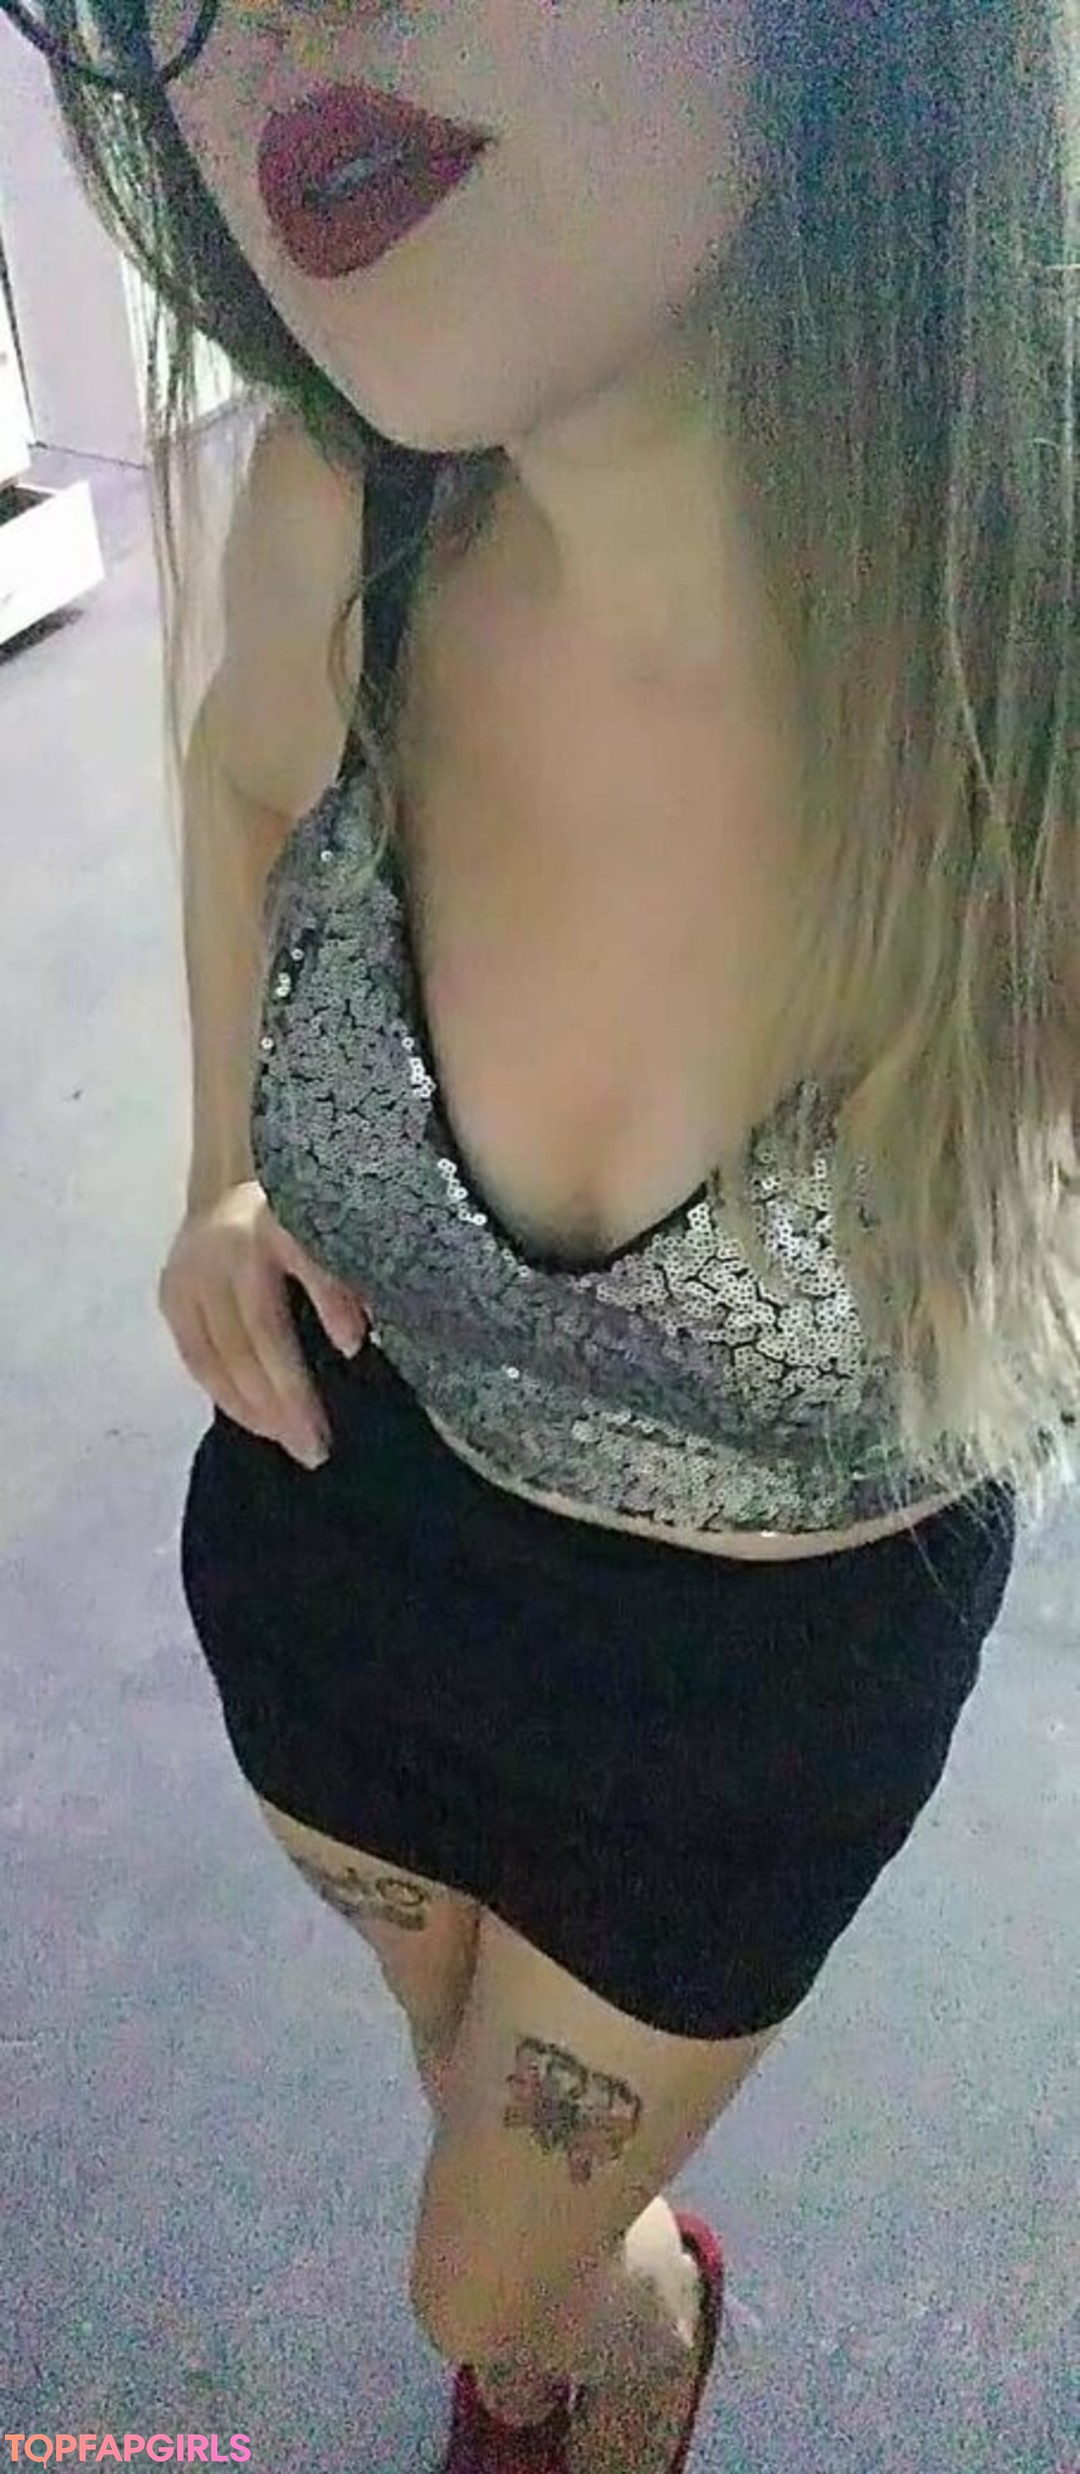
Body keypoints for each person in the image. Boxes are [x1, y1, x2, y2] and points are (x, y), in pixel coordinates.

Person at [12, 1, 1076, 2466]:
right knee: (458, 2064)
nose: (246, 27)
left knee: (481, 2266)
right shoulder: (336, 508)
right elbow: (241, 779)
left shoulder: (1023, 685)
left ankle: (623, 2318)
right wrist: (216, 1171)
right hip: (349, 1544)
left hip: (744, 1705)